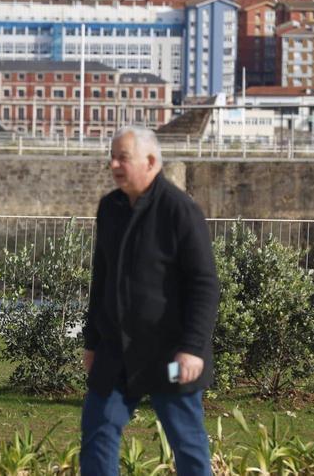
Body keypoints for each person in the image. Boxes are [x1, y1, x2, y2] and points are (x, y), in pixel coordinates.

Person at [80, 126, 219, 476]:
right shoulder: (110, 208)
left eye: (123, 158)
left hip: (170, 356)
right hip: (116, 353)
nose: (114, 165)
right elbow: (102, 279)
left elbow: (204, 284)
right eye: (112, 157)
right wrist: (92, 342)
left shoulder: (180, 210)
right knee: (98, 432)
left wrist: (191, 348)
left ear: (152, 161)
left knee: (187, 443)